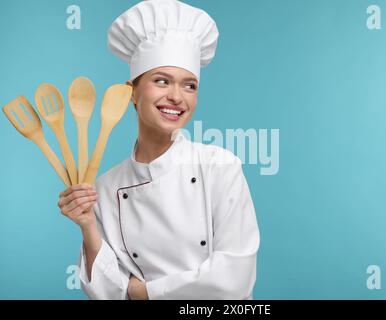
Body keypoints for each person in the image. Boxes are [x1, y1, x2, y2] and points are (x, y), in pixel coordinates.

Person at [57, 0, 260, 300]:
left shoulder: (220, 166)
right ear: (132, 93)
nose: (177, 97)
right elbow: (106, 292)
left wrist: (145, 292)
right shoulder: (107, 186)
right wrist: (87, 225)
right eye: (162, 81)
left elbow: (233, 279)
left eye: (190, 85)